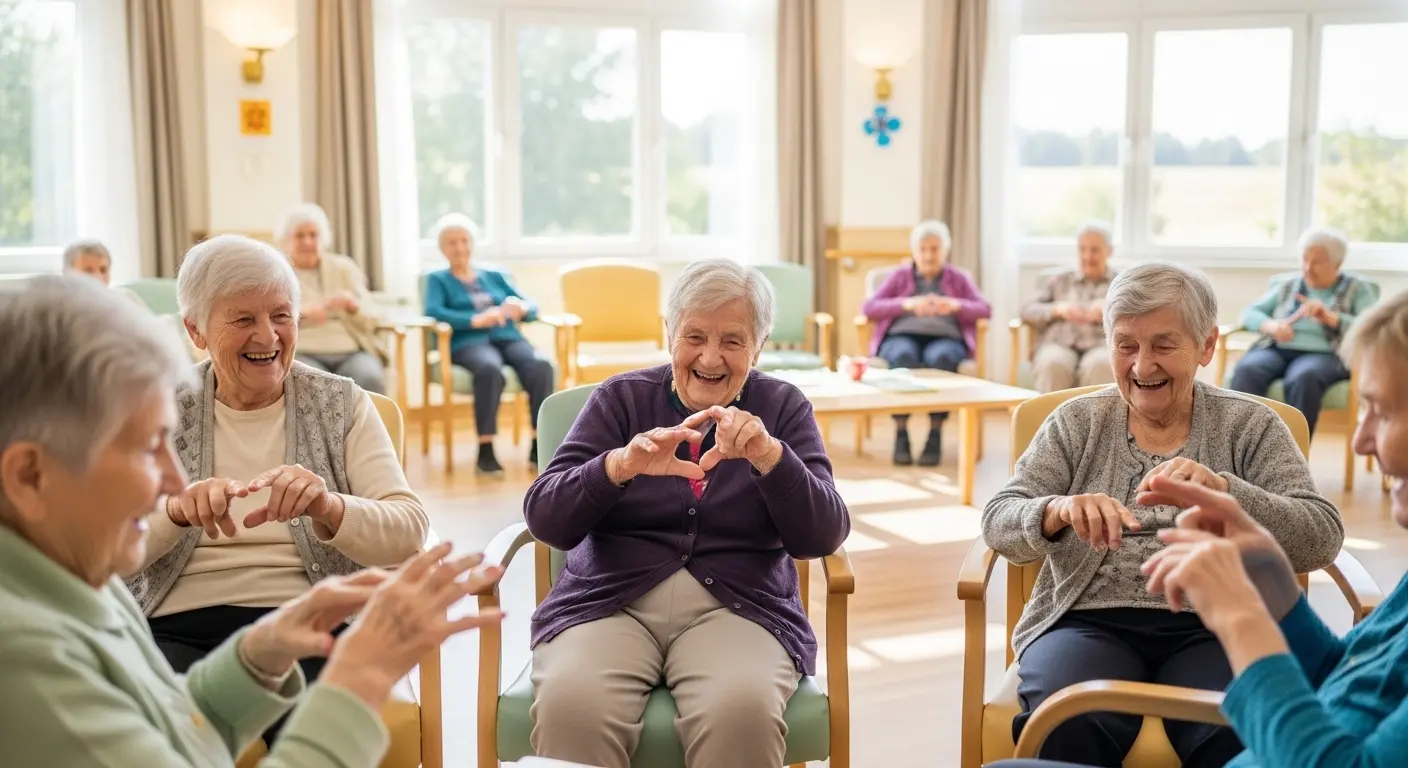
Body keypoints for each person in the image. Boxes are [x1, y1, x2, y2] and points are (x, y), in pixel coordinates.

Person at [0, 274, 504, 767]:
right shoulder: (26, 660)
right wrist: (356, 685)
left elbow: (173, 727)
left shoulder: (79, 581)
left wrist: (259, 653)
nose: (175, 481)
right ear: (29, 476)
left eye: (282, 315)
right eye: (146, 448)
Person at [989, 290, 1408, 767]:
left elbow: (1321, 535)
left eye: (1163, 346)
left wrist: (1231, 493)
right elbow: (999, 517)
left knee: (1233, 729)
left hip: (1211, 623)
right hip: (1086, 618)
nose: (1143, 367)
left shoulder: (1251, 424)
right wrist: (1055, 510)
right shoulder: (1075, 422)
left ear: (1206, 346)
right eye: (1126, 346)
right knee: (1068, 722)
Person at [521, 258, 850, 768]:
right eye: (694, 335)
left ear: (758, 347)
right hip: (610, 602)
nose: (710, 357)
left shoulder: (783, 408)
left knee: (741, 714)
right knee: (573, 707)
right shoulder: (620, 400)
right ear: (668, 333)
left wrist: (771, 458)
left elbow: (822, 535)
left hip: (740, 608)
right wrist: (619, 466)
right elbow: (546, 517)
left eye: (733, 341)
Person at [126, 234, 430, 746]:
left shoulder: (341, 404)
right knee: (169, 741)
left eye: (282, 315)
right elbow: (110, 552)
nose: (267, 335)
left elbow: (408, 530)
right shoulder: (159, 407)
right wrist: (174, 513)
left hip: (313, 621)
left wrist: (330, 508)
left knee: (315, 739)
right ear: (195, 331)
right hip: (180, 625)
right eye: (243, 319)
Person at [423, 213, 556, 475]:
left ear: (472, 243)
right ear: (442, 248)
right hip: (469, 342)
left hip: (508, 337)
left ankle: (538, 443)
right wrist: (475, 320)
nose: (460, 247)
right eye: (452, 243)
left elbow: (531, 307)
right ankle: (485, 449)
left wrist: (521, 308)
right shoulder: (437, 279)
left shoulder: (495, 275)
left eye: (464, 240)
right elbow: (434, 311)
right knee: (489, 370)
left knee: (541, 366)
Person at [861, 219, 991, 466]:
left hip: (946, 338)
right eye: (923, 249)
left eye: (935, 249)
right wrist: (906, 304)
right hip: (901, 336)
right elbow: (869, 307)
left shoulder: (957, 278)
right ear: (914, 251)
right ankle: (901, 433)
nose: (929, 255)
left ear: (945, 251)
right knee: (901, 357)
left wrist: (955, 305)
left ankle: (935, 433)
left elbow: (984, 308)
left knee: (941, 359)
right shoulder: (900, 276)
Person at [1228, 227, 1378, 435]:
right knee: (1249, 369)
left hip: (1326, 354)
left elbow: (1371, 326)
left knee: (1304, 376)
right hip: (1276, 349)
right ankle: (1243, 445)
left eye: (1317, 261)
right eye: (1304, 260)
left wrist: (1333, 318)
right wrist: (1273, 326)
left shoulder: (1358, 289)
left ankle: (1291, 457)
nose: (1308, 267)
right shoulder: (1289, 284)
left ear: (1338, 263)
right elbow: (1250, 313)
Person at [278, 203, 389, 395]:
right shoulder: (278, 272)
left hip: (351, 351)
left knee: (369, 378)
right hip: (303, 352)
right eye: (300, 236)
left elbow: (375, 317)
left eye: (313, 235)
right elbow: (269, 317)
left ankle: (367, 427)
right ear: (286, 240)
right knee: (311, 384)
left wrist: (353, 308)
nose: (307, 242)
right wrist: (302, 315)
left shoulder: (344, 268)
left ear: (324, 239)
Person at [1020, 221, 1119, 392]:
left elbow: (1139, 316)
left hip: (1101, 345)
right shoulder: (1059, 279)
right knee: (1053, 363)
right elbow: (1026, 310)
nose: (1088, 256)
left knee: (1101, 364)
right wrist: (1057, 309)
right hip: (1058, 343)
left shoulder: (1120, 282)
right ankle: (1050, 419)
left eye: (1094, 250)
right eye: (1083, 249)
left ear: (1109, 251)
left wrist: (1109, 309)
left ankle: (1094, 420)